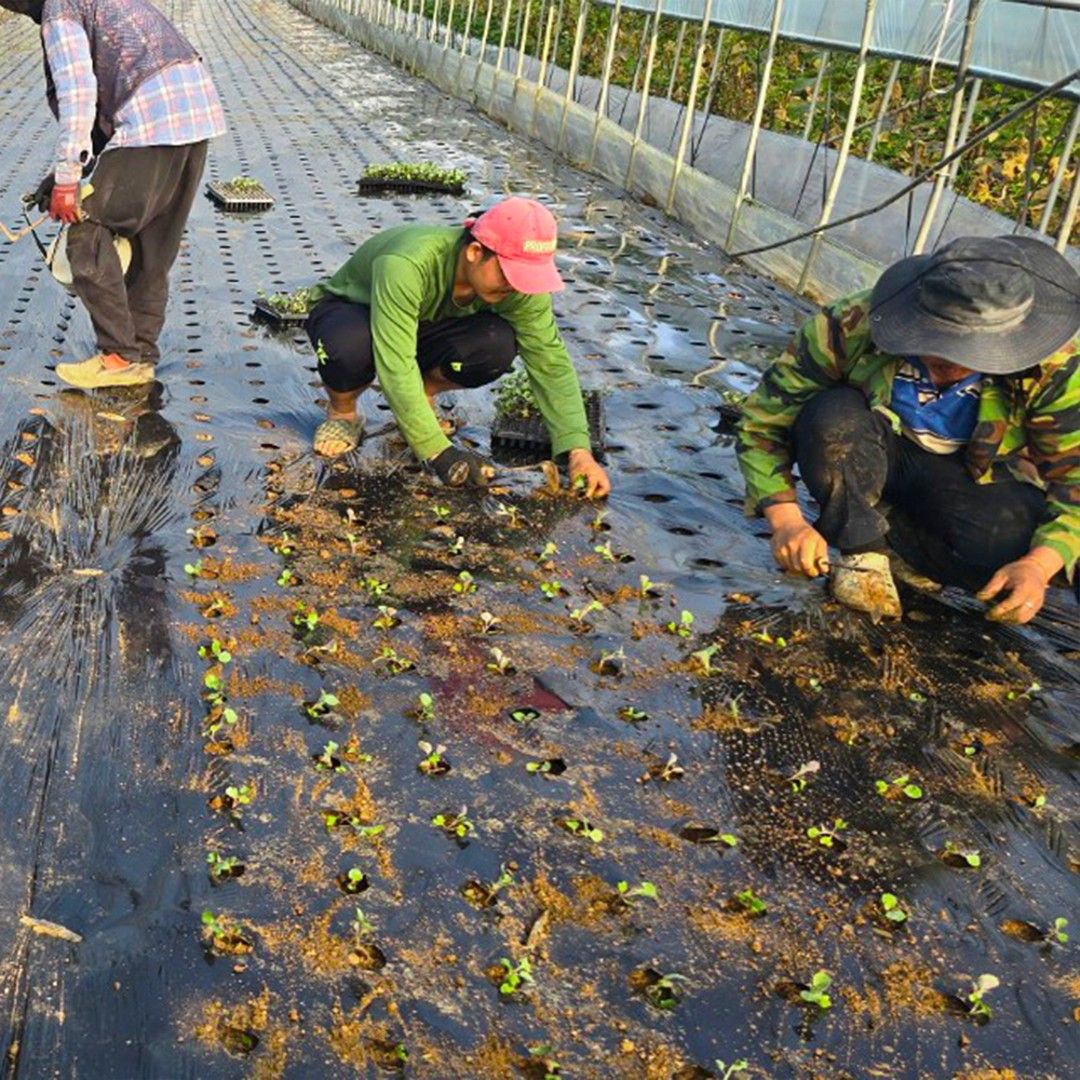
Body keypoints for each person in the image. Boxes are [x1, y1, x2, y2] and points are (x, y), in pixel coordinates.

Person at [736, 235, 1079, 624]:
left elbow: (1075, 484)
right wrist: (786, 522)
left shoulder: (1055, 370)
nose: (951, 366)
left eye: (971, 356)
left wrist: (1037, 565)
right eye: (940, 347)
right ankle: (863, 547)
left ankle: (905, 549)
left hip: (956, 476)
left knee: (1006, 541)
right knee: (830, 420)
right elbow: (762, 422)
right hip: (864, 445)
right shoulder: (852, 325)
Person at [305, 196, 610, 496]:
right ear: (475, 252)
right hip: (356, 312)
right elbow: (395, 360)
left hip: (424, 325)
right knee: (348, 347)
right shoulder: (408, 263)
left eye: (525, 277)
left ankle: (420, 397)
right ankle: (343, 413)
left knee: (496, 345)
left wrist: (577, 450)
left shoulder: (519, 287)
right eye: (508, 274)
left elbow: (550, 360)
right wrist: (438, 452)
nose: (515, 286)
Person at [1, 0, 225, 388]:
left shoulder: (60, 8)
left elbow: (78, 94)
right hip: (195, 109)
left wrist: (69, 180)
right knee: (153, 245)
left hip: (153, 114)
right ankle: (139, 356)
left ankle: (119, 357)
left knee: (86, 229)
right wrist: (63, 173)